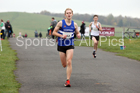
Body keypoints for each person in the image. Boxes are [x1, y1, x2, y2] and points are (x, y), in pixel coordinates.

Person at [52, 8, 81, 87]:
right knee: (64, 64)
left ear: (72, 14)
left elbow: (78, 33)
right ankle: (67, 75)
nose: (69, 14)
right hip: (61, 45)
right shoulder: (61, 23)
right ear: (65, 15)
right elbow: (54, 32)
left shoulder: (74, 24)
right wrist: (61, 35)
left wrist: (78, 35)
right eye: (67, 13)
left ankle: (68, 80)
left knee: (69, 61)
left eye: (70, 13)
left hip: (70, 45)